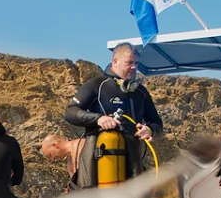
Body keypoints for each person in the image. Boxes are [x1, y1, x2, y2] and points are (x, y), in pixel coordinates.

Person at [64, 42, 164, 187]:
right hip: (98, 158)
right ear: (115, 62)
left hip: (132, 159)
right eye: (129, 62)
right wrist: (98, 119)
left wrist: (149, 129)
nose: (134, 67)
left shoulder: (140, 92)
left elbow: (156, 122)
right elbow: (71, 112)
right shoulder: (97, 85)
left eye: (136, 63)